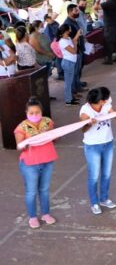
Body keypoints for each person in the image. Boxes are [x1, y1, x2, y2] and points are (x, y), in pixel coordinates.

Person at [14, 97, 57, 228]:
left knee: (44, 189)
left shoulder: (48, 122)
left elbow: (54, 137)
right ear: (26, 113)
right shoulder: (21, 127)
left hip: (47, 160)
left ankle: (45, 214)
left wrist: (53, 136)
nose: (35, 115)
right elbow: (19, 146)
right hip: (30, 164)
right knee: (31, 191)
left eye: (37, 112)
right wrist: (25, 144)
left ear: (41, 111)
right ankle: (32, 216)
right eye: (31, 113)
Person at [80, 87, 116, 215]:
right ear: (101, 101)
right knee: (94, 176)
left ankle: (104, 199)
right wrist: (88, 123)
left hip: (108, 143)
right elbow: (83, 129)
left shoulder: (106, 106)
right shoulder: (85, 110)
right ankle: (94, 203)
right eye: (106, 99)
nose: (108, 100)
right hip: (93, 146)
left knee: (106, 174)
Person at [56, 24, 80, 106]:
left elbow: (74, 46)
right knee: (68, 82)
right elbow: (73, 51)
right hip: (68, 62)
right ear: (66, 30)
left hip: (71, 62)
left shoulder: (68, 38)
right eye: (69, 28)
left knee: (70, 81)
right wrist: (75, 43)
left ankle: (70, 97)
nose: (71, 30)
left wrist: (75, 40)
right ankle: (68, 100)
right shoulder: (62, 41)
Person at [98, 0, 116, 65]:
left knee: (109, 42)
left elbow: (95, 7)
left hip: (110, 25)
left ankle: (109, 59)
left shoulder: (108, 3)